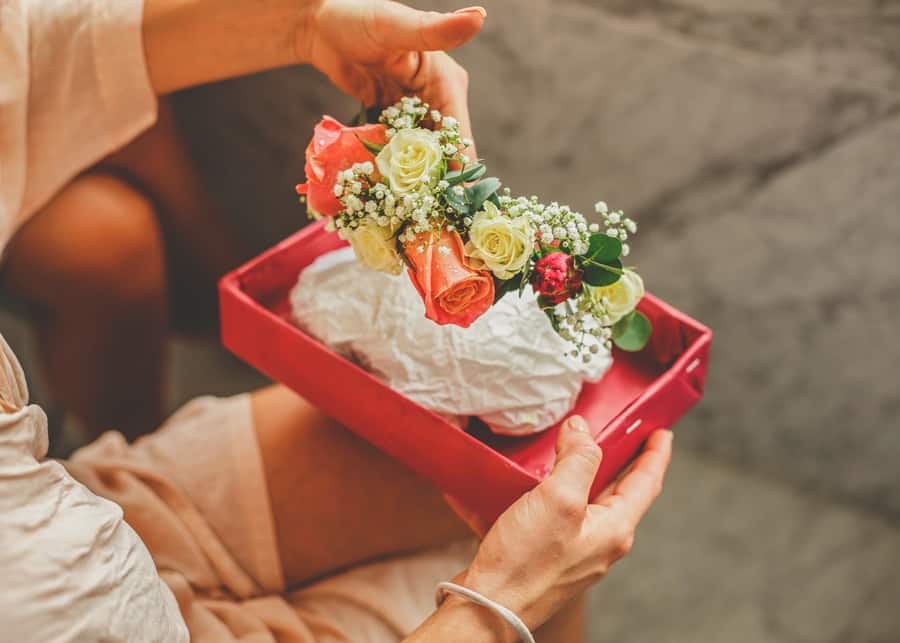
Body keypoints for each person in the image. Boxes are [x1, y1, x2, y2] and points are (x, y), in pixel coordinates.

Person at [0, 1, 674, 641]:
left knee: (542, 485)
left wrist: (309, 23)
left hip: (87, 507)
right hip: (80, 607)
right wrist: (501, 604)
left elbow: (23, 58)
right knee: (551, 543)